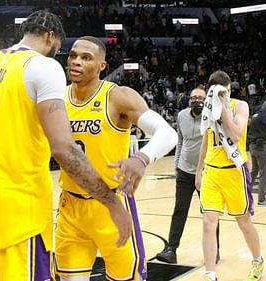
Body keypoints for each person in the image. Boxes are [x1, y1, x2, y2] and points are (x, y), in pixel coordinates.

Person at [0, 11, 132, 281]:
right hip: (22, 204)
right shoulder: (44, 67)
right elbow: (64, 150)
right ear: (51, 37)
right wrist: (112, 203)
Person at [55, 36, 177, 281]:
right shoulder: (56, 98)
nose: (76, 62)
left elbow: (168, 133)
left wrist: (141, 158)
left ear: (102, 65)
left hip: (111, 205)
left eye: (86, 58)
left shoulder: (117, 96)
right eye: (73, 55)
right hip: (70, 207)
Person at [196, 71, 264, 281]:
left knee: (243, 222)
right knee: (209, 222)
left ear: (229, 89)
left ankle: (258, 261)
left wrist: (224, 109)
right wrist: (199, 170)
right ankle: (210, 273)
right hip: (212, 171)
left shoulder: (240, 105)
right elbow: (207, 141)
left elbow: (235, 135)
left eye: (222, 91)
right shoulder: (208, 109)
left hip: (234, 172)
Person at [155, 87, 221, 264]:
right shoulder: (182, 116)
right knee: (179, 210)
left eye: (200, 97)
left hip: (206, 172)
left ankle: (214, 250)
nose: (196, 100)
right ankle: (171, 249)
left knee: (209, 213)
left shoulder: (212, 117)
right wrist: (176, 165)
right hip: (184, 171)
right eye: (193, 97)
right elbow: (181, 141)